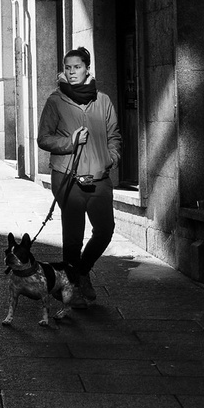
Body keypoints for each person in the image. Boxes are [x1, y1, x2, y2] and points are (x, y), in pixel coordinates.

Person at [37, 46, 122, 306]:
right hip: (67, 178)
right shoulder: (56, 100)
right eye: (68, 68)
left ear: (87, 69)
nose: (72, 72)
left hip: (99, 178)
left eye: (77, 67)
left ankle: (82, 271)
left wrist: (110, 159)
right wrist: (70, 143)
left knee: (105, 231)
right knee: (73, 237)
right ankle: (72, 285)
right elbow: (43, 138)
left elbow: (114, 136)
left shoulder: (103, 100)